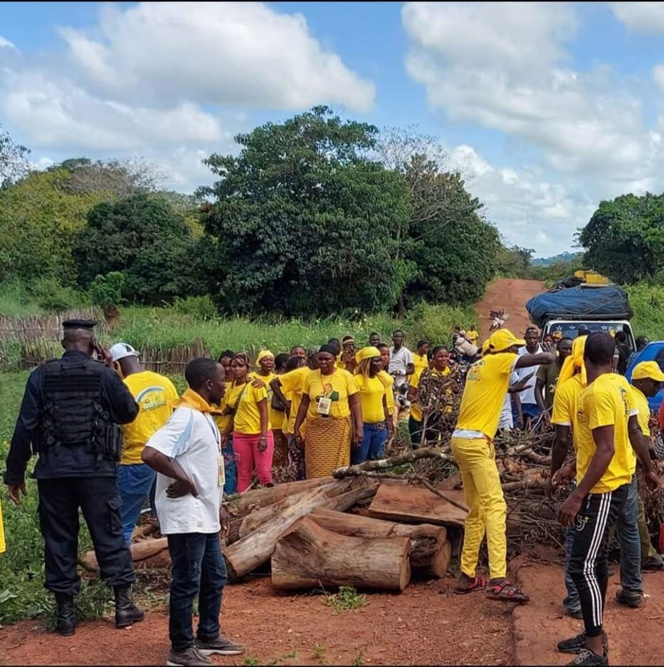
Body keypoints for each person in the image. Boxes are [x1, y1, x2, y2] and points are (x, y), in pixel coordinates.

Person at [4, 319, 143, 635]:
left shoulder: (40, 375)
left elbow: (25, 426)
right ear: (93, 345)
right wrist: (112, 371)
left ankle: (65, 615)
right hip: (96, 472)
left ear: (64, 344)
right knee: (108, 534)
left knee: (58, 539)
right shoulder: (104, 374)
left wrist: (15, 473)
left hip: (54, 473)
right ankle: (123, 606)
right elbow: (129, 412)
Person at [555, 333, 659, 666]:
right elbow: (631, 433)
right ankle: (591, 634)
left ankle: (596, 650)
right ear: (614, 359)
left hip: (602, 491)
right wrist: (648, 468)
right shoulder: (622, 386)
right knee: (595, 562)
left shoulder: (596, 393)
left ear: (582, 358)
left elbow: (606, 448)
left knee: (580, 565)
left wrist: (577, 495)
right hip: (617, 482)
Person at [142, 358, 244, 667]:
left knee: (215, 574)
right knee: (187, 580)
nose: (226, 385)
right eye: (222, 380)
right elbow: (152, 453)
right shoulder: (186, 417)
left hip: (204, 513)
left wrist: (220, 503)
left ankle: (208, 635)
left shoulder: (203, 416)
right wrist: (183, 480)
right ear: (209, 384)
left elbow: (205, 466)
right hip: (186, 516)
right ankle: (181, 648)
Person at [451, 328, 554, 602]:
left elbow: (496, 388)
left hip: (460, 440)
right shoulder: (498, 359)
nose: (515, 353)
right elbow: (542, 359)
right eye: (512, 349)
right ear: (499, 350)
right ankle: (498, 580)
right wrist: (554, 351)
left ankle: (467, 575)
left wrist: (514, 388)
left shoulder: (476, 366)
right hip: (476, 443)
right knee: (496, 507)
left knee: (477, 510)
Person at [110, 342, 179, 547]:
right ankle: (171, 558)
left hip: (136, 460)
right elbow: (177, 417)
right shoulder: (164, 382)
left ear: (115, 365)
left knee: (124, 521)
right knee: (168, 516)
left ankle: (120, 570)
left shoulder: (122, 388)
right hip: (166, 458)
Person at [294, 344, 363, 478]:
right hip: (315, 429)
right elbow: (304, 404)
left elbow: (355, 403)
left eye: (327, 359)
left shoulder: (345, 376)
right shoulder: (310, 377)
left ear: (335, 359)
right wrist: (297, 426)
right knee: (315, 466)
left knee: (339, 466)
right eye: (320, 359)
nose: (323, 362)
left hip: (338, 428)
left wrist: (359, 426)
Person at [627, 362, 664, 572]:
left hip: (620, 465)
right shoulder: (639, 405)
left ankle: (644, 553)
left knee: (632, 510)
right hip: (623, 466)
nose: (658, 387)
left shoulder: (632, 396)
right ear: (640, 381)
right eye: (655, 383)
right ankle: (645, 555)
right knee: (631, 510)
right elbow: (639, 440)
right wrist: (650, 468)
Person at [221, 353, 273, 492]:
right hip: (240, 435)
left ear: (247, 367)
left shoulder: (255, 386)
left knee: (264, 473)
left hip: (258, 434)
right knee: (243, 474)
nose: (237, 369)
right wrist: (225, 433)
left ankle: (267, 503)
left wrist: (263, 436)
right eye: (234, 366)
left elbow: (264, 412)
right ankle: (241, 505)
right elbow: (234, 413)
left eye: (240, 366)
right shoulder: (231, 388)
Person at [270, 347, 319, 480]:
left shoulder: (324, 374)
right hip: (298, 426)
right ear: (311, 358)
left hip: (316, 426)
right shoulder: (301, 373)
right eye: (318, 358)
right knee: (298, 465)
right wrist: (287, 404)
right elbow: (274, 383)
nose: (321, 361)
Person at [407, 346, 454, 448]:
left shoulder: (452, 374)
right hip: (418, 417)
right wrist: (419, 403)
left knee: (437, 446)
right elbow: (410, 394)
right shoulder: (422, 374)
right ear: (433, 357)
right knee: (418, 447)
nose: (444, 359)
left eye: (446, 356)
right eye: (440, 356)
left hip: (442, 417)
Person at [352, 347, 393, 464]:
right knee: (360, 461)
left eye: (380, 360)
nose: (381, 363)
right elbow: (352, 406)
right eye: (377, 361)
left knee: (377, 461)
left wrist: (389, 425)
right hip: (363, 427)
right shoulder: (356, 380)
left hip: (380, 427)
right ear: (368, 362)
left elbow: (384, 404)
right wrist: (355, 429)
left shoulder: (381, 379)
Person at [535, 337, 573, 418]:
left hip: (570, 414)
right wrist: (543, 411)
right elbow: (538, 388)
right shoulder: (548, 364)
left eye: (571, 349)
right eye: (565, 349)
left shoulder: (576, 366)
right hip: (550, 413)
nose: (568, 352)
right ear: (558, 349)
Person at [513, 327, 543, 429]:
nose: (532, 341)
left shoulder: (544, 353)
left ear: (538, 338)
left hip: (538, 400)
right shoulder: (518, 354)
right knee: (519, 430)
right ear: (525, 338)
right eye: (529, 338)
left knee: (535, 431)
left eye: (534, 338)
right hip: (520, 400)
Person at [269, 353, 291, 468]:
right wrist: (291, 408)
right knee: (279, 460)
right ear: (284, 364)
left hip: (281, 424)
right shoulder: (279, 381)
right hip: (278, 424)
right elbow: (274, 403)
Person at [388, 330, 414, 408]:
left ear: (403, 339)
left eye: (400, 337)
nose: (398, 338)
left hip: (401, 384)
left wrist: (400, 371)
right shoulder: (389, 350)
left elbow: (412, 369)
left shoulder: (406, 352)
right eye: (396, 336)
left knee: (401, 405)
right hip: (389, 382)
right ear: (392, 338)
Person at [377, 343, 397, 432]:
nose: (386, 357)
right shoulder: (376, 374)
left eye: (388, 355)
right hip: (381, 412)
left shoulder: (385, 373)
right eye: (383, 354)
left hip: (389, 410)